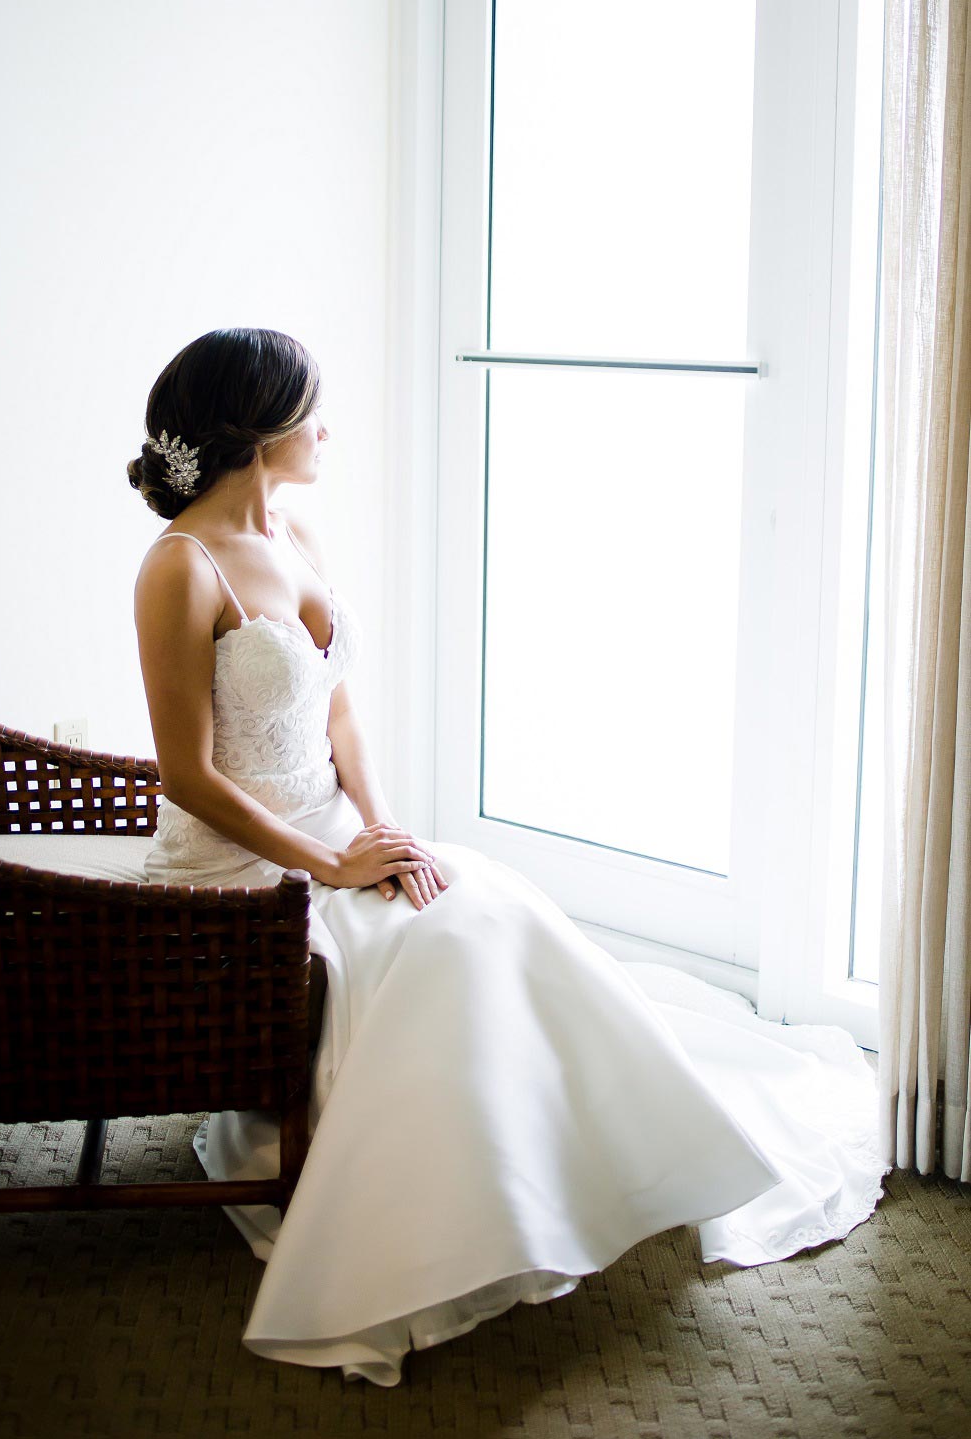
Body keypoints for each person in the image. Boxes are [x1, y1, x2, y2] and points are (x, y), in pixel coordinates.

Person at [128, 327, 887, 1387]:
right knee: (439, 957)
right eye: (313, 413)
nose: (328, 429)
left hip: (338, 835)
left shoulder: (297, 529)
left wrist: (383, 833)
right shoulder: (178, 568)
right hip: (238, 871)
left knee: (496, 907)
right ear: (257, 433)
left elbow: (338, 707)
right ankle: (451, 1219)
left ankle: (585, 1160)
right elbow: (189, 776)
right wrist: (329, 866)